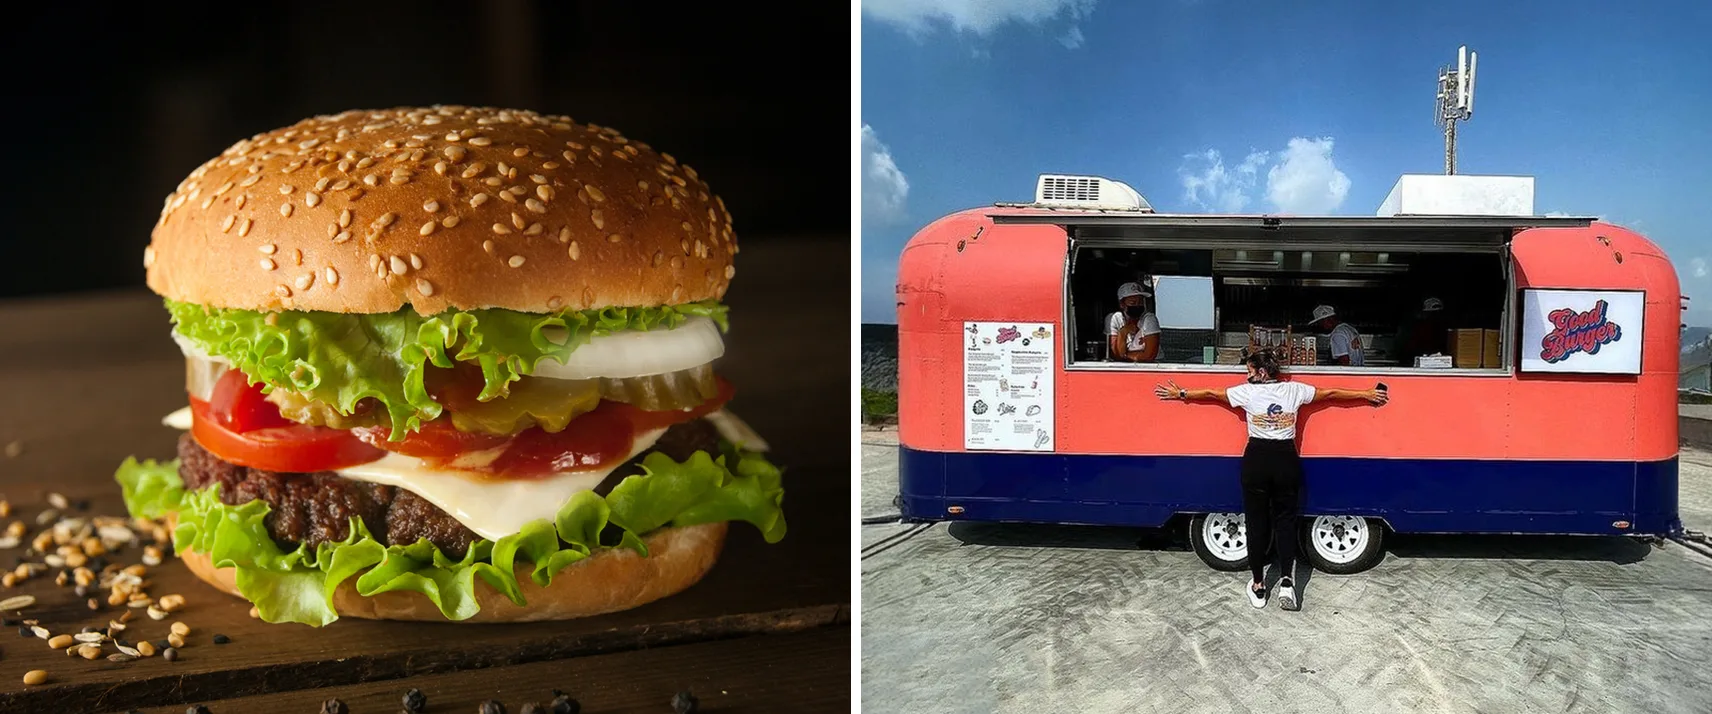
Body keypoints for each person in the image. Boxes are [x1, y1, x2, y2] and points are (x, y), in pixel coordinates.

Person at [1152, 349, 1387, 611]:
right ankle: (1287, 583)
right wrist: (1366, 394)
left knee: (1256, 523)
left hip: (1257, 460)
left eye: (1250, 371)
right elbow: (1330, 394)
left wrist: (1181, 393)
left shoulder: (1247, 393)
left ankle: (1258, 586)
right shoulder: (1294, 390)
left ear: (1262, 373)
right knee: (1286, 522)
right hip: (1286, 460)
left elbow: (1211, 394)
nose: (1247, 376)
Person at [1106, 281, 1160, 362]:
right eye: (1133, 303)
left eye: (1141, 302)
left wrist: (1125, 355)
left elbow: (1149, 356)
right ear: (1122, 304)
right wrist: (1123, 333)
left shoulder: (1149, 319)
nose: (1137, 305)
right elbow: (1115, 354)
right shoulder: (1114, 318)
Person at [1395, 297, 1450, 363]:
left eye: (1438, 313)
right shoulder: (1421, 328)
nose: (1436, 316)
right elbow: (1410, 348)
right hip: (1419, 360)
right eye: (1433, 313)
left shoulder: (1445, 329)